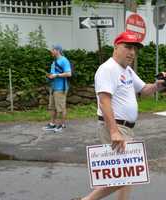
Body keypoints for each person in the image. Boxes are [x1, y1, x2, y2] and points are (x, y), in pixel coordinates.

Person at [71, 31, 165, 200]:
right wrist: (114, 131)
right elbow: (104, 101)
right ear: (116, 47)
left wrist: (159, 85)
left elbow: (143, 90)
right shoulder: (108, 69)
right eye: (127, 47)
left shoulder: (126, 70)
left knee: (127, 175)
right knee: (125, 174)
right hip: (115, 127)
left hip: (126, 128)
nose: (132, 52)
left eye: (134, 49)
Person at [43, 45, 71, 132]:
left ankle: (61, 125)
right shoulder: (54, 61)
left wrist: (57, 75)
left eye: (53, 50)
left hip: (60, 88)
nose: (51, 51)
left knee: (61, 108)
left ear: (58, 50)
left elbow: (69, 73)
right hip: (53, 88)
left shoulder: (64, 60)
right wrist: (50, 76)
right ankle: (52, 124)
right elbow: (53, 73)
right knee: (52, 107)